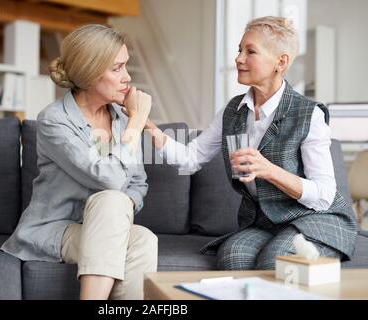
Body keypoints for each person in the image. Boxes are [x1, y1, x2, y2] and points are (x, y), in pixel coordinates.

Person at [142, 16, 357, 270]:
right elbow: (191, 158)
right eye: (239, 50)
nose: (239, 58)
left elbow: (323, 196)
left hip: (315, 218)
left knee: (276, 260)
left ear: (281, 61)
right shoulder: (232, 111)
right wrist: (152, 130)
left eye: (250, 51)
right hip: (265, 223)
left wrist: (269, 170)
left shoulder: (309, 114)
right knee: (233, 257)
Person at [0, 24, 158, 299]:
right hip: (55, 228)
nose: (127, 77)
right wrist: (137, 122)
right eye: (117, 68)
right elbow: (108, 178)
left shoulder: (121, 120)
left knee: (144, 238)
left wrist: (118, 212)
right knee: (111, 197)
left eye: (126, 67)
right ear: (91, 71)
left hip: (105, 228)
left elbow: (138, 182)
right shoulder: (55, 120)